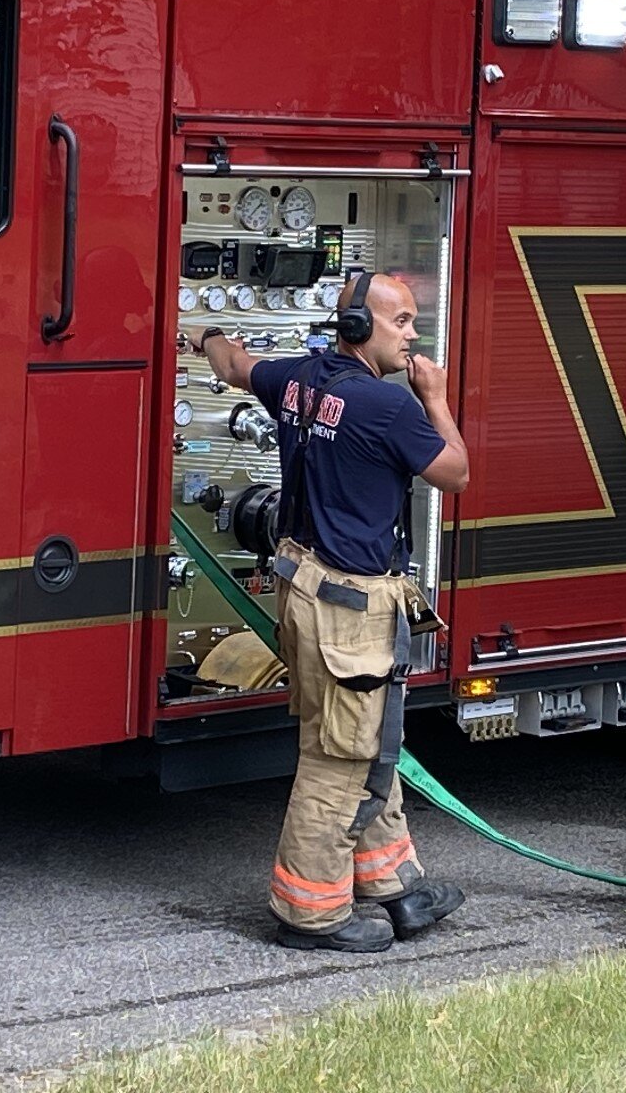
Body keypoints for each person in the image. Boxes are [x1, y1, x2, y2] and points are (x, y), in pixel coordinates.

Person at [188, 272, 470, 953]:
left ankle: (393, 887)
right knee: (341, 755)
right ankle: (308, 912)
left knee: (369, 742)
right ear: (356, 328)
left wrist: (201, 330)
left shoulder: (293, 380)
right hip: (352, 607)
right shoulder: (388, 406)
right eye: (400, 322)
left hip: (305, 590)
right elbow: (456, 472)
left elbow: (230, 363)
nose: (412, 335)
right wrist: (433, 398)